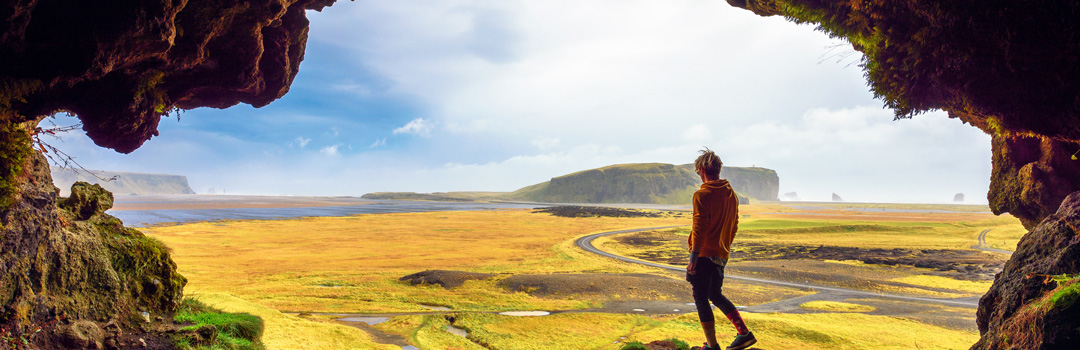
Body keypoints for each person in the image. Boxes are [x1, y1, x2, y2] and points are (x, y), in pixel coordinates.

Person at [686, 148, 756, 350]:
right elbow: (734, 225)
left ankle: (712, 346)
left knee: (701, 298)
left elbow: (699, 227)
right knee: (715, 294)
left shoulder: (702, 194)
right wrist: (724, 247)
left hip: (704, 255)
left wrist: (694, 256)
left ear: (702, 170)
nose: (698, 174)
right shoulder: (731, 195)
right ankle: (744, 333)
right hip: (721, 254)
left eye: (698, 171)